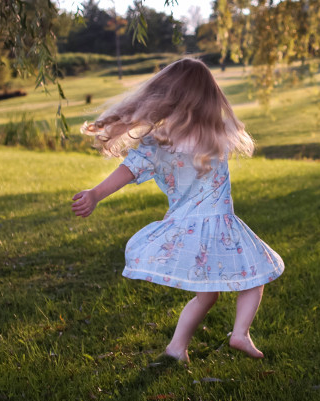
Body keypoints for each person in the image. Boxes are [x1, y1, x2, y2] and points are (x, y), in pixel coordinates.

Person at [71, 58, 284, 363]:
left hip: (185, 227)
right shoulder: (218, 134)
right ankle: (239, 333)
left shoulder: (159, 142)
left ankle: (176, 348)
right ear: (210, 97)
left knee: (207, 295)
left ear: (166, 97)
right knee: (256, 274)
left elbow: (128, 170)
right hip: (222, 225)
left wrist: (95, 194)